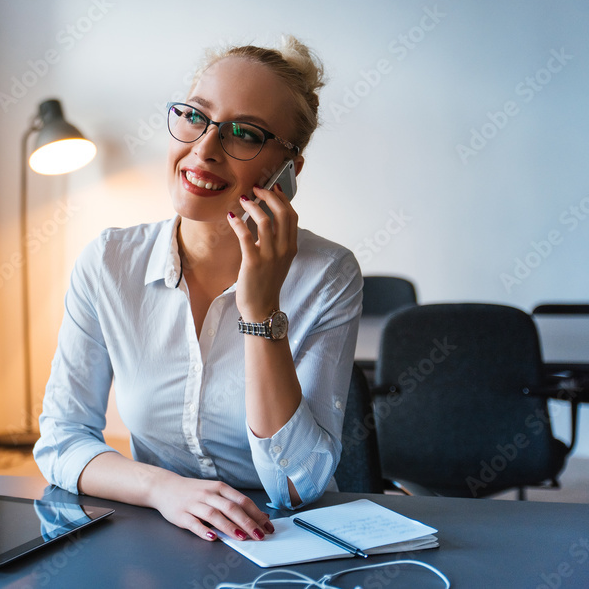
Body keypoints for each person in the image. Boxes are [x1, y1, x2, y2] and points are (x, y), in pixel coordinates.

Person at [33, 38, 363, 543]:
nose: (204, 150)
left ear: (288, 172)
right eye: (194, 117)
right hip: (157, 532)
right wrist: (164, 489)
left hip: (283, 542)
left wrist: (260, 311)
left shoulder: (328, 275)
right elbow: (60, 442)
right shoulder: (108, 263)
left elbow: (299, 487)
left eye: (245, 134)